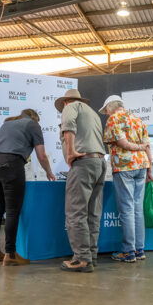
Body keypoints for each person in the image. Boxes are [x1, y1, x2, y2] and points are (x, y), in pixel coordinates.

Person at [0, 109, 56, 266]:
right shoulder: (33, 125)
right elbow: (41, 155)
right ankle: (10, 254)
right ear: (35, 118)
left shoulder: (8, 123)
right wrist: (49, 172)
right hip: (11, 163)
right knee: (12, 211)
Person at [56, 89, 107, 272]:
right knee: (93, 213)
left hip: (84, 163)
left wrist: (70, 152)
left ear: (64, 102)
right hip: (99, 162)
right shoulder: (92, 112)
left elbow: (68, 124)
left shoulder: (70, 107)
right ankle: (91, 255)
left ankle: (81, 259)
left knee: (76, 213)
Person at [101, 95, 153, 263]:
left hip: (124, 167)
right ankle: (139, 249)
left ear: (110, 107)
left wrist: (136, 147)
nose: (106, 114)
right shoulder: (137, 119)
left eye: (106, 111)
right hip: (141, 166)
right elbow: (147, 146)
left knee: (127, 210)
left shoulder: (113, 119)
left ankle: (128, 251)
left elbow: (123, 144)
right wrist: (150, 169)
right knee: (137, 209)